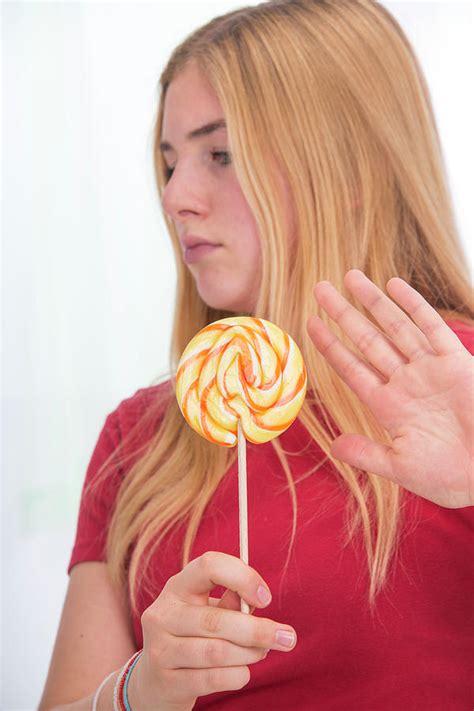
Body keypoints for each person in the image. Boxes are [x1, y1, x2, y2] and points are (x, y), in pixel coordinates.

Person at [39, 1, 473, 709]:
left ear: (351, 168)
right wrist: (136, 690)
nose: (176, 196)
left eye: (222, 154)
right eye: (169, 161)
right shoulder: (139, 438)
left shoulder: (466, 388)